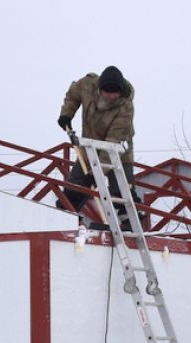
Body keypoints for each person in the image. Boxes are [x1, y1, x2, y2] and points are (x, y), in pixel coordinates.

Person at [56, 65, 141, 227]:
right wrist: (67, 114)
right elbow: (73, 94)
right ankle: (65, 217)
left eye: (114, 93)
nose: (111, 96)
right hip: (89, 147)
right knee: (76, 185)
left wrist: (98, 171)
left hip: (118, 151)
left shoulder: (126, 107)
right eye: (107, 92)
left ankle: (129, 224)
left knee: (121, 190)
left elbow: (112, 143)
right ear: (100, 89)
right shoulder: (88, 85)